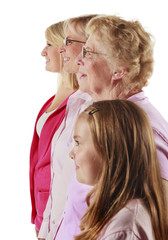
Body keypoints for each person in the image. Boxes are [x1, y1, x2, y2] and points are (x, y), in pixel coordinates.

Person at [54, 14, 168, 239]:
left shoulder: (142, 129)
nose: (78, 60)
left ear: (118, 70)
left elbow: (158, 216)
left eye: (88, 53)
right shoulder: (98, 114)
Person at [70, 100, 168, 240]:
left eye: (78, 143)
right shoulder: (122, 214)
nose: (71, 154)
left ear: (109, 151)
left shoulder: (125, 227)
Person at [38, 15, 97, 240]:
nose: (61, 50)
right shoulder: (74, 102)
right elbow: (56, 170)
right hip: (53, 219)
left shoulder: (96, 109)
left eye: (67, 42)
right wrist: (45, 224)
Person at [29, 21, 78, 237]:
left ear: (62, 48)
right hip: (43, 209)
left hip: (61, 214)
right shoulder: (53, 99)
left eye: (49, 44)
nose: (43, 52)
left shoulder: (79, 102)